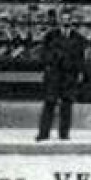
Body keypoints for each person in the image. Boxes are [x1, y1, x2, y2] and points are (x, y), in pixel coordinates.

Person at [36, 12, 87, 142]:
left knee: (67, 104)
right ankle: (43, 133)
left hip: (69, 75)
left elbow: (80, 58)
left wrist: (79, 72)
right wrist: (51, 64)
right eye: (63, 20)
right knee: (49, 103)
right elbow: (44, 53)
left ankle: (64, 133)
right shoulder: (50, 36)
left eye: (68, 20)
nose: (66, 23)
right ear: (59, 22)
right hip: (54, 74)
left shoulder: (78, 38)